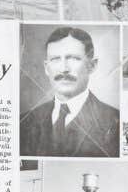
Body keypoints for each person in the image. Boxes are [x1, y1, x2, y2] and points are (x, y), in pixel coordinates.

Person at [19, 26, 120, 158]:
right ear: (47, 68)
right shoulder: (23, 122)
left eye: (73, 58)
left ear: (92, 65)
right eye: (55, 59)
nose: (64, 69)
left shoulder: (115, 122)